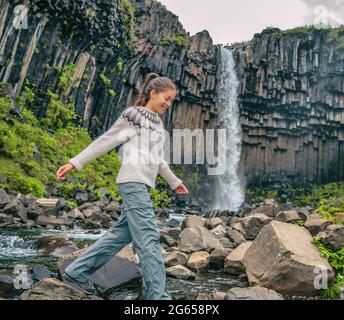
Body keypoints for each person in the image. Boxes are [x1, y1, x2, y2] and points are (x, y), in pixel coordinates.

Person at [56, 72, 189, 300]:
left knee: (121, 234)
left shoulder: (157, 124)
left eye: (171, 100)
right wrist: (75, 163)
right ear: (153, 93)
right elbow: (107, 140)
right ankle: (157, 296)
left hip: (142, 185)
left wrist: (175, 182)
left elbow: (158, 160)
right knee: (148, 236)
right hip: (132, 182)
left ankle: (76, 272)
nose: (168, 103)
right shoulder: (133, 116)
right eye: (166, 98)